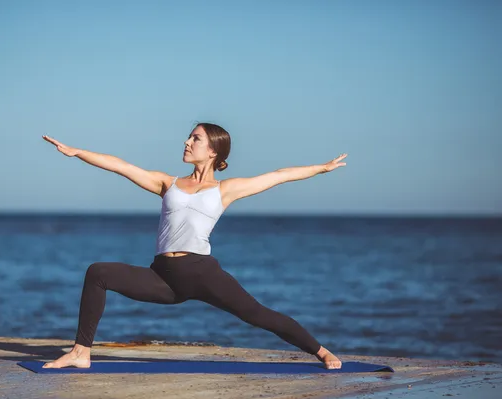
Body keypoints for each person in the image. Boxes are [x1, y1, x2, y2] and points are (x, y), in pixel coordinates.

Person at [41, 122, 347, 369]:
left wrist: (321, 168)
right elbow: (122, 166)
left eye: (195, 138)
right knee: (98, 273)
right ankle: (81, 352)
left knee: (257, 314)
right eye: (189, 137)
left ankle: (319, 351)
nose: (187, 142)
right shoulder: (167, 183)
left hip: (201, 273)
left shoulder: (224, 190)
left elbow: (278, 176)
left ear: (213, 150)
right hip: (162, 277)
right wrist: (77, 152)